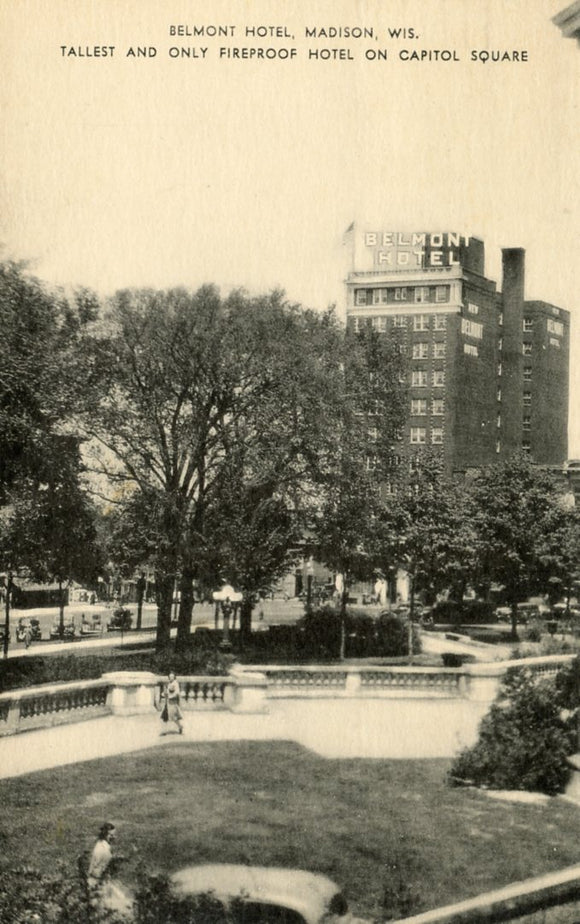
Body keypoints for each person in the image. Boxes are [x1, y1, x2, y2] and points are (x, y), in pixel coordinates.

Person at [87, 822, 133, 918]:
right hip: (98, 883)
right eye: (111, 835)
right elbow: (95, 869)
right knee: (121, 906)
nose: (113, 837)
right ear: (105, 835)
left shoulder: (103, 845)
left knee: (124, 902)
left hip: (102, 881)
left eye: (114, 835)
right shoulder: (101, 849)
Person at [162, 671, 184, 735]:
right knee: (165, 717)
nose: (171, 678)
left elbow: (177, 692)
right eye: (170, 676)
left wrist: (171, 696)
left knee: (174, 718)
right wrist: (164, 694)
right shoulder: (169, 683)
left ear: (174, 677)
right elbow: (167, 692)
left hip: (173, 702)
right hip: (168, 702)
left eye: (172, 676)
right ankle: (164, 731)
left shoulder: (176, 683)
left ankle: (180, 726)